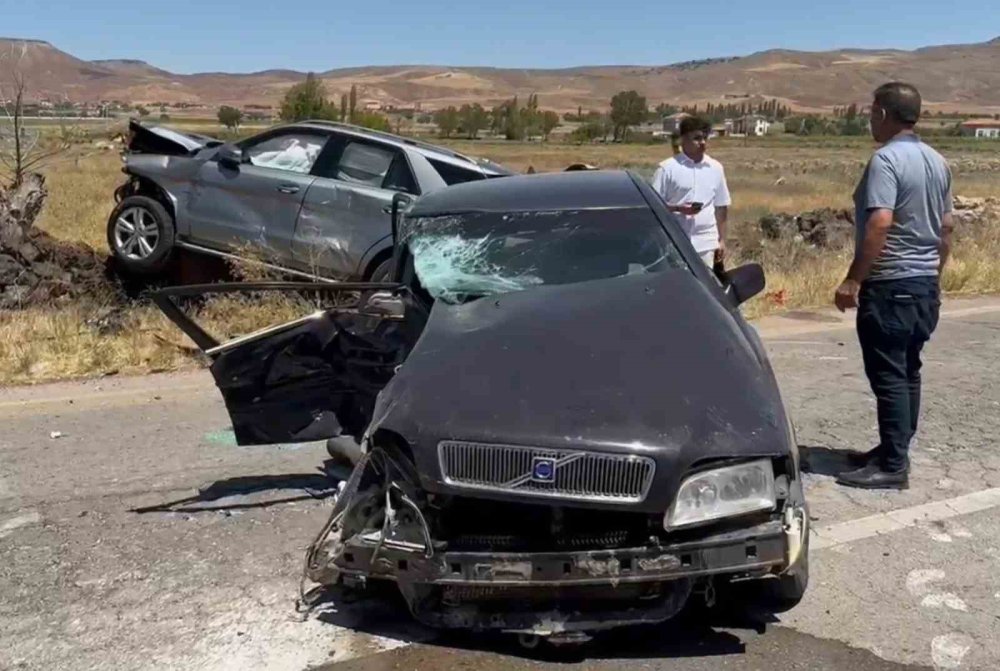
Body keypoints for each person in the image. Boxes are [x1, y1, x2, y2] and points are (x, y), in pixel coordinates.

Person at [833, 82, 955, 490]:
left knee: (888, 375)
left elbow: (880, 222)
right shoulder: (938, 161)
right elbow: (947, 228)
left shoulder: (886, 161)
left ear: (883, 113)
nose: (870, 120)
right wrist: (933, 278)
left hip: (890, 285)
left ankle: (893, 465)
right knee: (908, 371)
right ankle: (893, 449)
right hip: (922, 285)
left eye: (871, 113)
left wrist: (854, 278)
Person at [651, 116, 730, 268]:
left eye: (705, 138)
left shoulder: (715, 168)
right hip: (673, 243)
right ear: (683, 140)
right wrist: (679, 209)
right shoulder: (667, 169)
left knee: (704, 287)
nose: (703, 143)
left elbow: (721, 206)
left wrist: (721, 240)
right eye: (697, 138)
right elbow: (653, 206)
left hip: (706, 243)